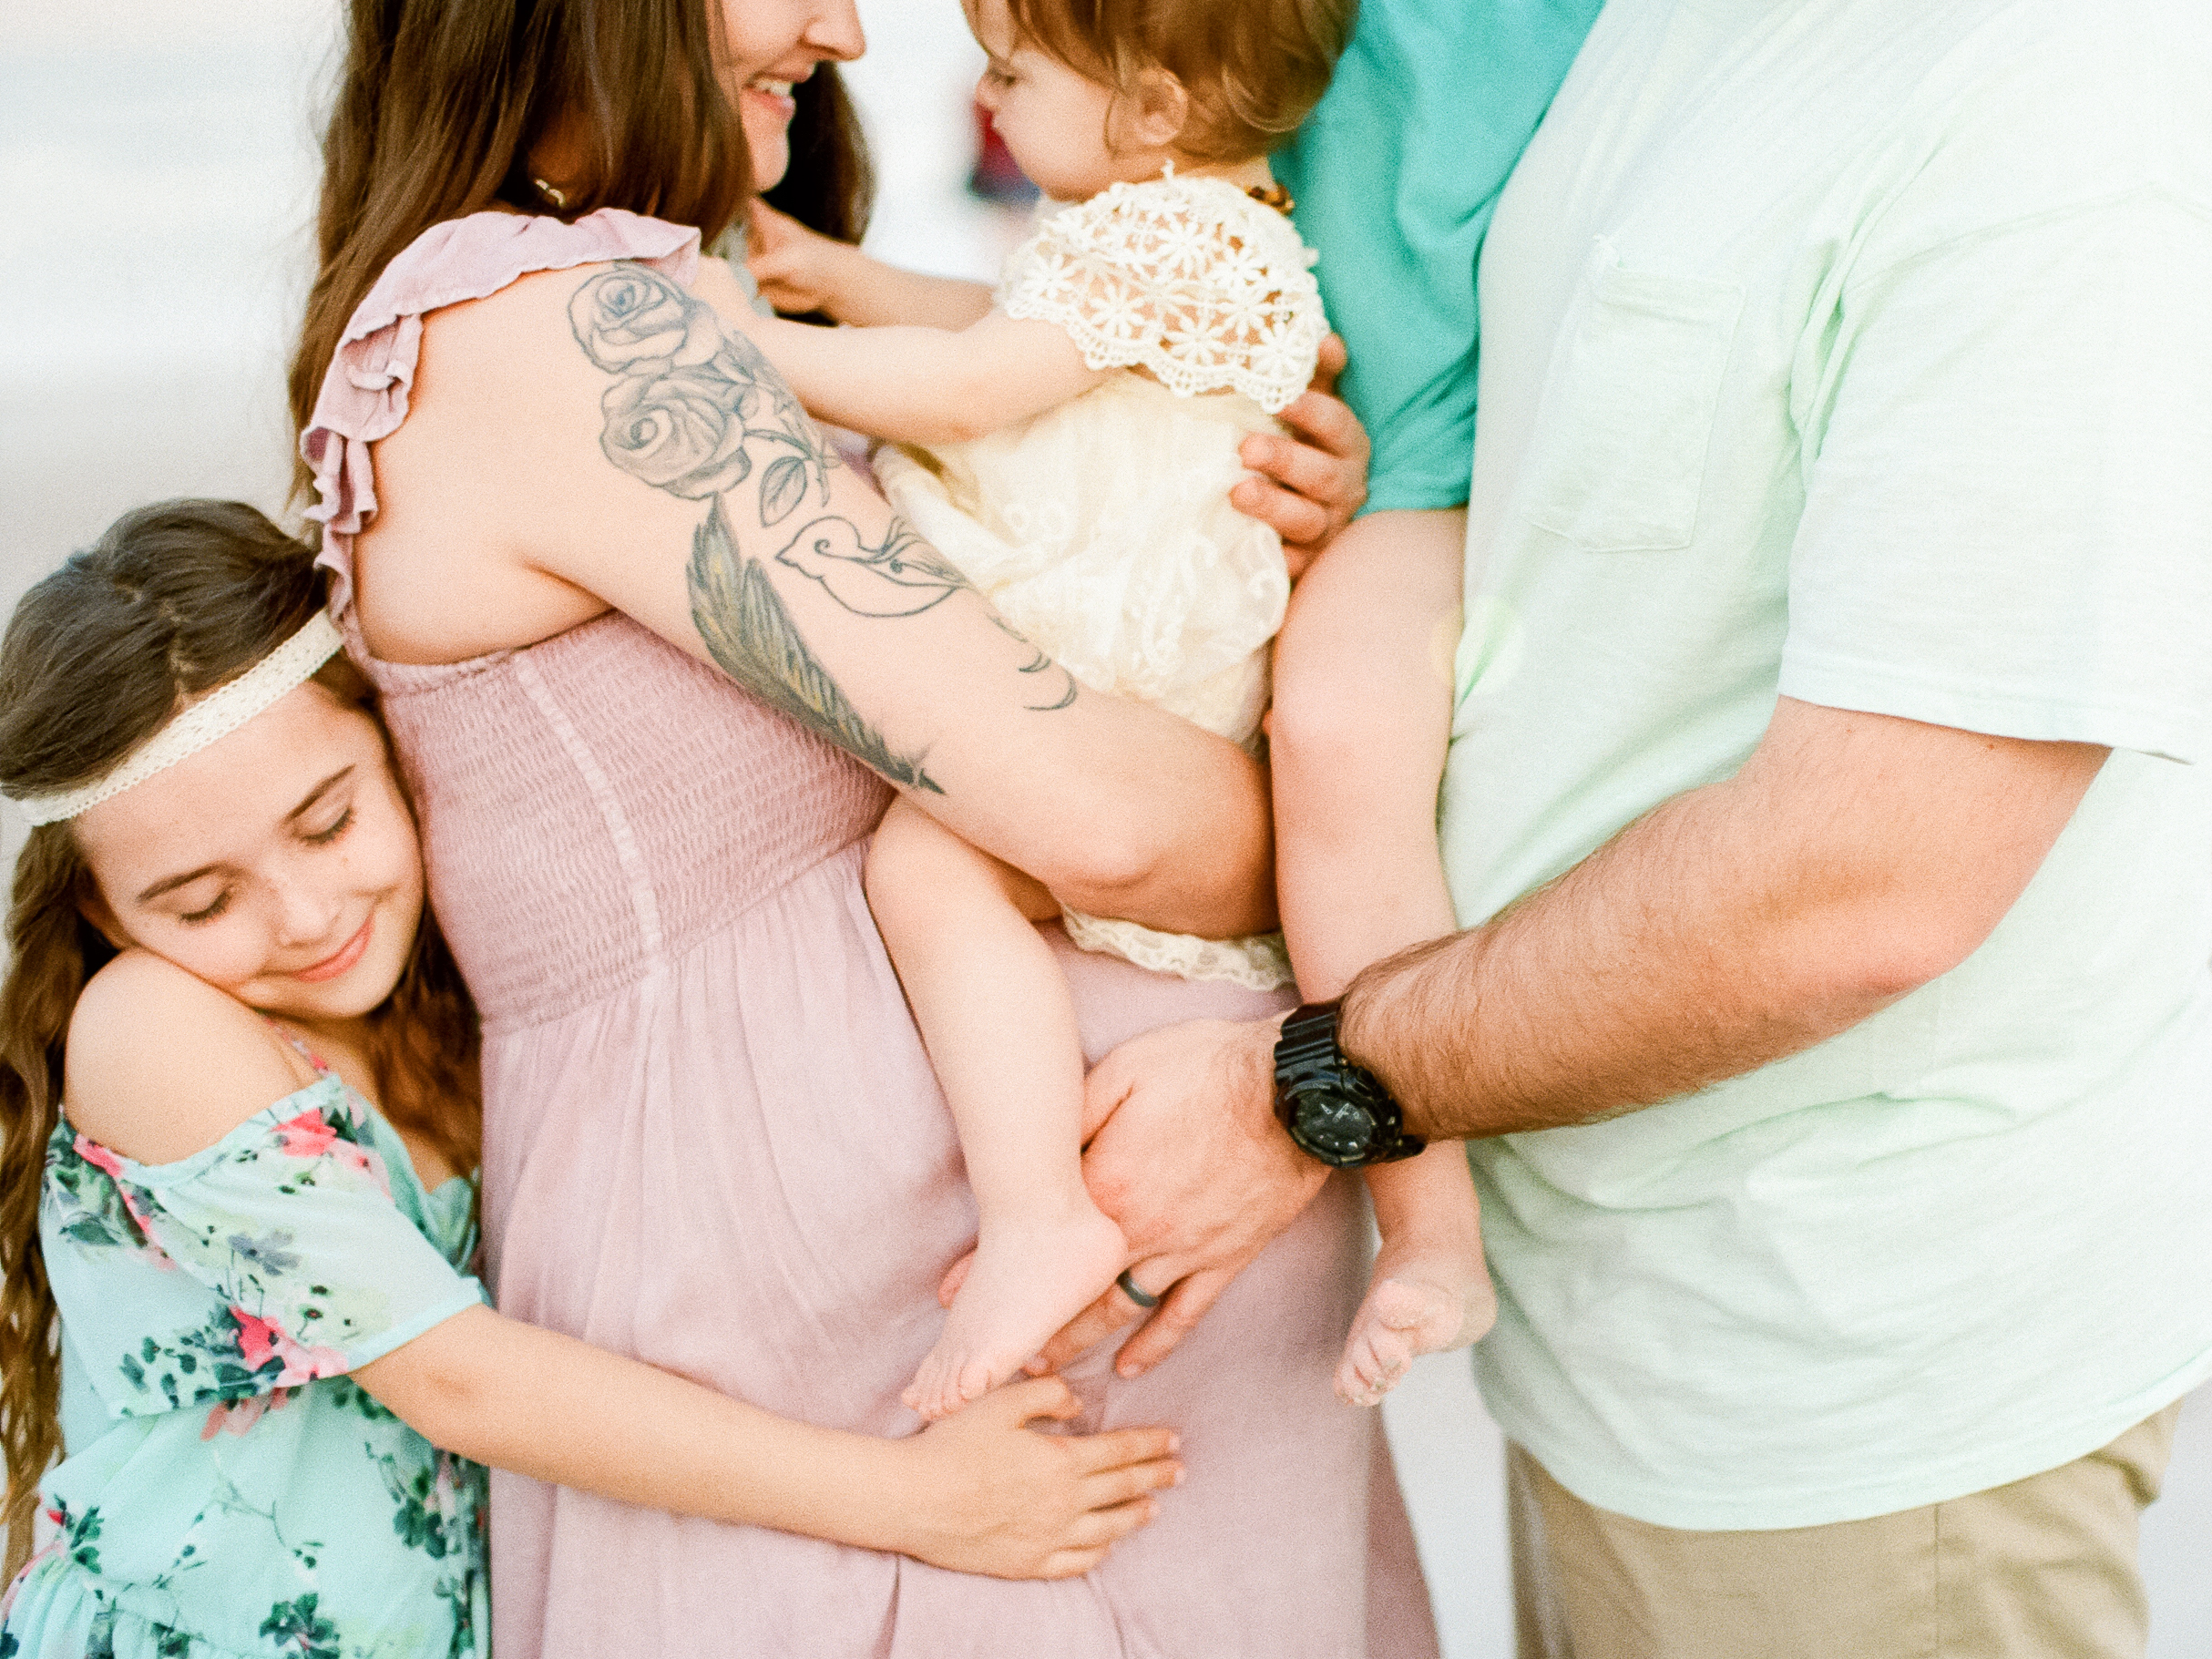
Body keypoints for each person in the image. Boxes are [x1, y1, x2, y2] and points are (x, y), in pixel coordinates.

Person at [1033, 1, 2212, 1654]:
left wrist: (1303, 1089)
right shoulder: (1657, 25)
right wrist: (1342, 468)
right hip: (1624, 1346)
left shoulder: (2047, 102)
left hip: (1845, 1404)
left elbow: (1870, 877)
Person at [288, 0, 1439, 1652]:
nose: (843, 26)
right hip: (879, 1387)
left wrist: (1205, 497)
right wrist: (1361, 837)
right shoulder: (556, 325)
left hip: (1041, 1363)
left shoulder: (657, 291)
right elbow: (1101, 819)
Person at [0, 502, 1185, 1654]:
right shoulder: (146, 1026)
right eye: (202, 901)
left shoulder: (457, 1005)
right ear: (100, 908)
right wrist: (917, 1500)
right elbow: (457, 1379)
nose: (305, 914)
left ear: (389, 741)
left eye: (328, 821)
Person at [742, 0, 1491, 1422]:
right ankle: (1039, 1209)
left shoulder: (1178, 237)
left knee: (927, 858)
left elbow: (973, 385)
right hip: (1130, 606)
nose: (984, 92)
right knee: (936, 861)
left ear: (1149, 109)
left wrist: (743, 351)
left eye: (1012, 72)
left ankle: (1039, 1211)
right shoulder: (1174, 219)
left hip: (1125, 629)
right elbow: (998, 322)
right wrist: (832, 272)